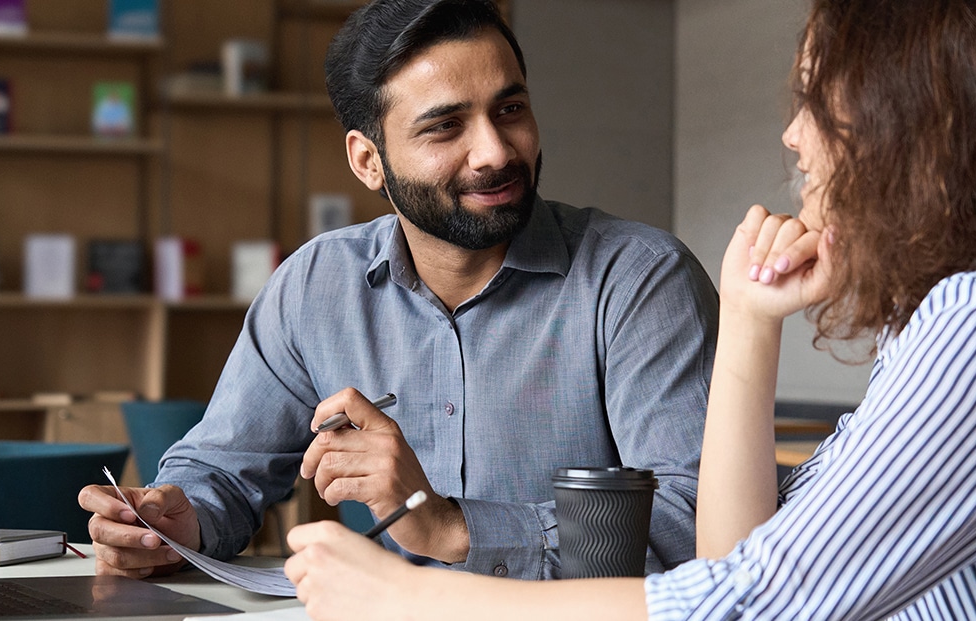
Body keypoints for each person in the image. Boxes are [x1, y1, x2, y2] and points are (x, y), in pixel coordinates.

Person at [282, 0, 976, 618]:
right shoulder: (972, 318)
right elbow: (739, 557)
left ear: (909, 127)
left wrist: (413, 594)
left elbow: (745, 602)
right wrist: (753, 323)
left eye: (813, 102)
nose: (794, 138)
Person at [78, 0, 718, 581]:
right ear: (367, 161)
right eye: (445, 127)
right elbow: (221, 472)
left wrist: (452, 528)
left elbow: (699, 523)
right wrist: (173, 523)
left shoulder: (639, 278)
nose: (495, 150)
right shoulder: (316, 287)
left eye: (510, 109)